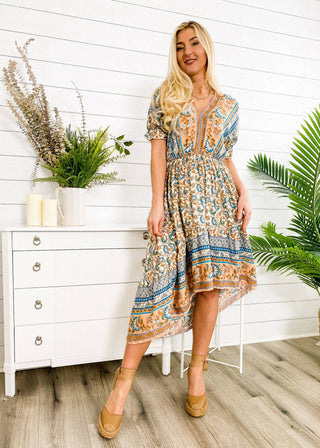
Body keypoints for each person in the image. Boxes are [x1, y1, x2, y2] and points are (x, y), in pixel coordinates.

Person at [98, 20, 257, 439]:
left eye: (194, 44)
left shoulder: (229, 105)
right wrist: (156, 203)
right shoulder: (165, 96)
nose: (188, 51)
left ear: (206, 48)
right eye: (180, 45)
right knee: (155, 284)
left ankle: (197, 370)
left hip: (217, 203)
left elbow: (224, 157)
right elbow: (157, 155)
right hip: (176, 201)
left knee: (209, 288)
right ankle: (123, 383)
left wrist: (243, 192)